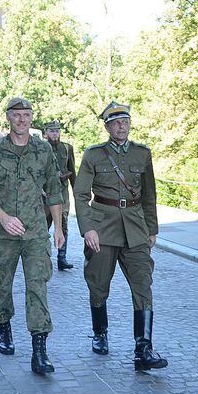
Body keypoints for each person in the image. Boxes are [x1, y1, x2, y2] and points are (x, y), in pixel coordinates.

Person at [74, 102, 167, 371]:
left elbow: (150, 194)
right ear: (107, 126)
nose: (121, 126)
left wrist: (152, 229)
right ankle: (100, 333)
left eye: (125, 121)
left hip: (136, 229)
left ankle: (143, 347)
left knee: (143, 285)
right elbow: (81, 195)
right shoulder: (93, 155)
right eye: (115, 122)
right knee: (98, 283)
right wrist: (87, 228)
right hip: (102, 228)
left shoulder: (142, 154)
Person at [0, 97, 64, 375]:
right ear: (9, 118)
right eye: (17, 115)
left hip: (36, 232)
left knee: (37, 285)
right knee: (1, 283)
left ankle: (39, 351)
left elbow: (54, 190)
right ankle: (4, 328)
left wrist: (59, 228)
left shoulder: (43, 150)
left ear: (31, 118)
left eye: (26, 115)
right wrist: (3, 218)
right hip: (4, 234)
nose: (22, 120)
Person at [42, 120, 75, 271]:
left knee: (63, 224)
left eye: (57, 131)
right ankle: (43, 256)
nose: (55, 134)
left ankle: (62, 257)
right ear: (46, 133)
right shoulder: (41, 148)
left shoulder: (67, 148)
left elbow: (72, 170)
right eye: (51, 131)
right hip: (44, 193)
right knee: (43, 224)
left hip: (62, 193)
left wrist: (78, 193)